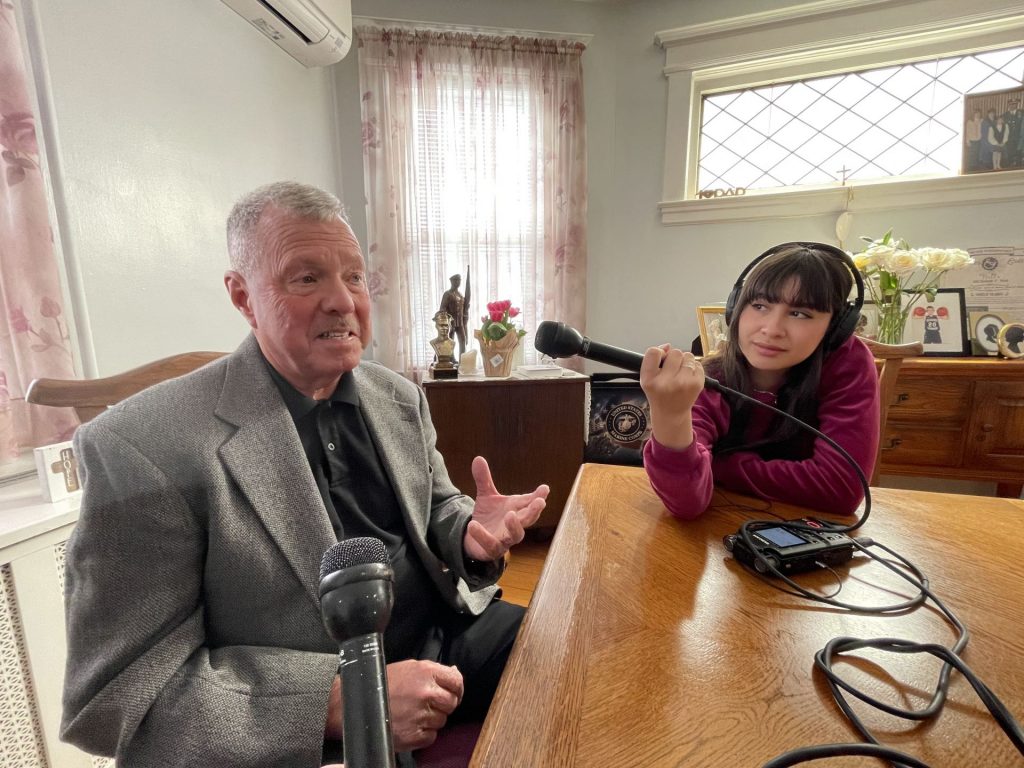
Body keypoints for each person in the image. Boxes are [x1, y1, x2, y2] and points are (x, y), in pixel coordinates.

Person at [60, 181, 548, 768]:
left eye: (355, 276)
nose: (342, 300)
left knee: (581, 664)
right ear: (242, 297)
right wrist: (344, 697)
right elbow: (118, 699)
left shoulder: (397, 397)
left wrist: (468, 532)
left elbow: (436, 505)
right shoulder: (138, 447)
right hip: (318, 709)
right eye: (306, 277)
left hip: (447, 634)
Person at [639, 242, 880, 521]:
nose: (772, 329)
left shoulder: (848, 362)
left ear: (835, 328)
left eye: (800, 313)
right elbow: (686, 502)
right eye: (760, 305)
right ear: (735, 309)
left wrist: (718, 465)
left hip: (811, 534)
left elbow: (840, 488)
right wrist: (671, 417)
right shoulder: (712, 377)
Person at [439, 274, 469, 357]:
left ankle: (462, 360)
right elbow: (442, 309)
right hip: (451, 322)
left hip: (460, 323)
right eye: (456, 280)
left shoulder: (460, 295)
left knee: (463, 340)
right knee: (450, 342)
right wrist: (447, 322)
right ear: (451, 281)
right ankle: (450, 359)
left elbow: (464, 310)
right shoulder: (447, 294)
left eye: (459, 280)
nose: (458, 282)